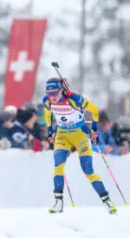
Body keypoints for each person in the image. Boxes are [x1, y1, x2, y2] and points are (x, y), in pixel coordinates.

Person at [43, 77, 116, 214]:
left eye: (54, 93)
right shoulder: (47, 101)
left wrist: (94, 130)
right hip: (62, 135)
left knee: (88, 170)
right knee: (58, 166)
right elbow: (48, 114)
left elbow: (94, 110)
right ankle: (58, 203)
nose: (51, 96)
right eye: (49, 93)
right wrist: (50, 131)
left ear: (62, 90)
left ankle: (106, 201)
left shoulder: (74, 99)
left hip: (80, 135)